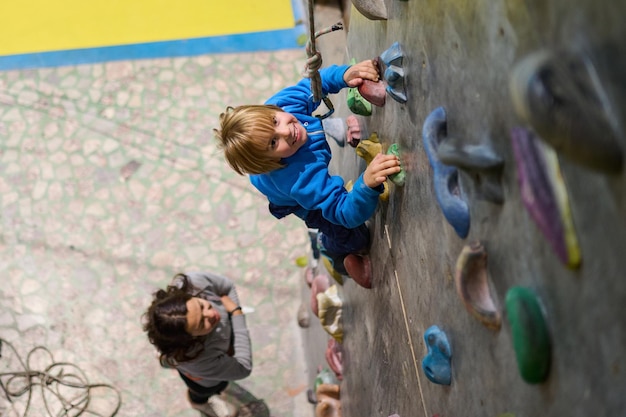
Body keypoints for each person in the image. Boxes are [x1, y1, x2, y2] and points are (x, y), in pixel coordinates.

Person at [214, 60, 401, 288]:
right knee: (354, 235)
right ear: (271, 160)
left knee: (304, 122)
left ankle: (329, 129)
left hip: (292, 166)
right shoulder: (299, 179)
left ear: (272, 111)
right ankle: (331, 252)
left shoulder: (280, 106)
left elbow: (312, 85)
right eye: (273, 143)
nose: (286, 130)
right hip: (296, 197)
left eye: (275, 121)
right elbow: (344, 212)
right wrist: (367, 185)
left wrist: (345, 75)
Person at [143, 271, 251, 417]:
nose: (212, 314)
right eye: (201, 323)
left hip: (192, 356)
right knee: (203, 390)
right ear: (188, 340)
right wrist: (236, 313)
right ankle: (199, 402)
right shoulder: (199, 359)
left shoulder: (193, 282)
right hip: (203, 379)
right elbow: (243, 367)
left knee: (174, 359)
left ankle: (166, 357)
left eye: (201, 305)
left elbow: (227, 286)